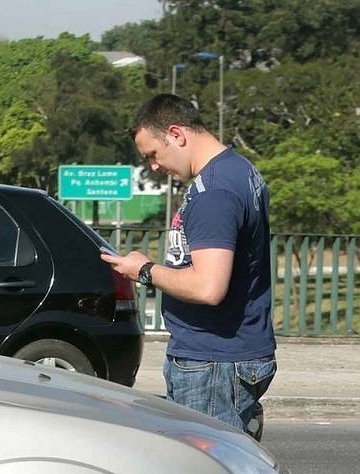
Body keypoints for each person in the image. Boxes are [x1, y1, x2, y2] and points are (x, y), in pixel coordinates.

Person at [101, 94, 276, 439]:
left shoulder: (215, 190)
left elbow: (207, 288)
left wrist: (144, 270)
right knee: (227, 468)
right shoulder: (237, 170)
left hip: (212, 363)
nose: (154, 166)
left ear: (177, 134)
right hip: (223, 357)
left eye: (153, 154)